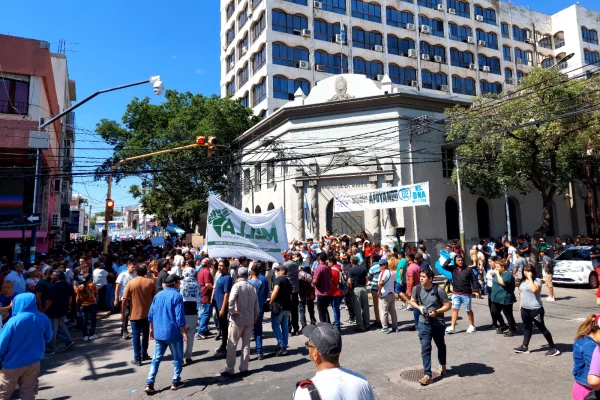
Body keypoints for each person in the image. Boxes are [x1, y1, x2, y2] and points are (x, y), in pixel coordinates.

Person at [294, 323, 375, 400]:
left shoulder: (305, 393)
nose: (308, 349)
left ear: (316, 355)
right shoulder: (362, 382)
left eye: (308, 345)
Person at [0, 293, 53, 400]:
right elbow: (49, 338)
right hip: (34, 362)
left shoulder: (13, 322)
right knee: (28, 392)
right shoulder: (43, 318)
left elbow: (2, 344)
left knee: (3, 393)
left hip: (12, 363)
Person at [144, 274, 187, 394]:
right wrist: (184, 332)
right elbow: (180, 318)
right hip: (173, 333)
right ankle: (175, 381)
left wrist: (151, 329)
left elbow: (151, 314)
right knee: (178, 358)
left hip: (159, 332)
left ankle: (150, 382)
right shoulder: (177, 296)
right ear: (175, 283)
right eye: (179, 281)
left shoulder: (158, 295)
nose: (179, 283)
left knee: (156, 359)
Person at [409, 268, 451, 386]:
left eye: (424, 276)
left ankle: (442, 365)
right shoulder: (417, 288)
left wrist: (437, 312)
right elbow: (412, 301)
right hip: (423, 323)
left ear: (430, 279)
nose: (421, 278)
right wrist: (419, 307)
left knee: (440, 345)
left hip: (438, 323)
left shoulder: (438, 290)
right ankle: (428, 374)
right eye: (420, 276)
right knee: (425, 348)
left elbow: (448, 305)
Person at [513, 265, 560, 356]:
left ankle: (553, 348)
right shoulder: (523, 281)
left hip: (535, 309)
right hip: (525, 309)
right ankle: (524, 346)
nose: (526, 272)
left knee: (542, 328)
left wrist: (530, 278)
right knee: (527, 327)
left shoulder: (537, 281)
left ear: (532, 272)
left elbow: (534, 289)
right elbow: (521, 293)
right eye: (525, 270)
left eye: (528, 271)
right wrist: (520, 306)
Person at [221, 267, 259, 377]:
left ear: (238, 275)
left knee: (232, 344)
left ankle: (230, 369)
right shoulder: (252, 287)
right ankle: (244, 368)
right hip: (249, 318)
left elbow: (231, 300)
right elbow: (257, 303)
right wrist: (256, 315)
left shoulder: (237, 286)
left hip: (238, 319)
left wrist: (232, 312)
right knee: (246, 345)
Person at [122, 264, 156, 366]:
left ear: (136, 272)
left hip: (134, 314)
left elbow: (124, 300)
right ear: (146, 272)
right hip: (148, 313)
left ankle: (137, 358)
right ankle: (144, 353)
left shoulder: (131, 283)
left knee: (136, 335)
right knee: (145, 334)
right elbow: (155, 299)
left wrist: (122, 314)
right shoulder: (150, 282)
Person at [442, 255, 480, 334]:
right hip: (456, 293)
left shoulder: (468, 269)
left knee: (468, 310)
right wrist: (450, 258)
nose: (460, 262)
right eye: (458, 260)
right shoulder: (453, 268)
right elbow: (444, 266)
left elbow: (473, 280)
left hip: (466, 294)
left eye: (461, 260)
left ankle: (472, 326)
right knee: (455, 309)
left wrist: (476, 290)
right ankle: (452, 327)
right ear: (455, 261)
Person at [44, 270, 75, 355]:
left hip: (53, 311)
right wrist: (68, 306)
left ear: (57, 276)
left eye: (53, 275)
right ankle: (69, 341)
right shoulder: (67, 285)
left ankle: (51, 348)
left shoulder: (53, 287)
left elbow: (50, 300)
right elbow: (70, 297)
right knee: (61, 326)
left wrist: (44, 309)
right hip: (63, 310)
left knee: (53, 329)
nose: (51, 276)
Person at [573, 314, 600, 400]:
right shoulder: (590, 346)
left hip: (583, 387)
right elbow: (595, 372)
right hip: (587, 390)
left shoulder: (584, 339)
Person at [490, 260, 518, 336]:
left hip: (505, 297)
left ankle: (512, 329)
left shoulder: (508, 274)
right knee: (494, 312)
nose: (495, 268)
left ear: (503, 267)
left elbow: (502, 282)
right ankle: (503, 325)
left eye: (497, 267)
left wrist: (497, 274)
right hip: (495, 298)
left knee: (508, 314)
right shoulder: (499, 273)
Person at [248, 262, 269, 360]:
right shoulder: (263, 279)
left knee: (247, 331)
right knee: (258, 330)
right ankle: (259, 351)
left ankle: (247, 352)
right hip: (259, 307)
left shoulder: (249, 281)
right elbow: (266, 293)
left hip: (249, 309)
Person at [270, 263, 292, 356]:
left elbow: (275, 291)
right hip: (287, 307)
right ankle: (283, 344)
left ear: (283, 271)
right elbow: (290, 296)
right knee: (285, 326)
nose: (277, 272)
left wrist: (270, 301)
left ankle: (282, 346)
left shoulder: (278, 280)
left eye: (278, 270)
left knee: (275, 326)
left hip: (279, 306)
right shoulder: (288, 281)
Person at [180, 264, 200, 364]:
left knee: (181, 336)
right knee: (191, 336)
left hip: (182, 313)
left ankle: (180, 358)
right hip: (193, 313)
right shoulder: (197, 284)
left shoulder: (181, 283)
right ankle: (188, 357)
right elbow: (199, 299)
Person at [213, 259, 233, 357]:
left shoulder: (228, 278)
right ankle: (223, 345)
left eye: (222, 266)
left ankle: (225, 346)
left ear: (226, 267)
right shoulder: (221, 276)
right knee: (221, 326)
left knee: (224, 327)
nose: (219, 267)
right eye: (219, 265)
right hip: (217, 305)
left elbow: (227, 294)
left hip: (222, 306)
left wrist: (222, 308)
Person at [115, 261, 137, 340]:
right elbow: (117, 287)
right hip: (124, 298)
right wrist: (116, 299)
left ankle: (123, 329)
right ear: (127, 267)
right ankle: (124, 330)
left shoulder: (135, 275)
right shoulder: (122, 275)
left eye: (134, 267)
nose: (133, 268)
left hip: (133, 298)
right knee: (125, 314)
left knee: (131, 314)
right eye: (132, 267)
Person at [348, 255, 369, 332]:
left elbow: (349, 281)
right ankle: (367, 324)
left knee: (357, 308)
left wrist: (350, 288)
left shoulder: (351, 270)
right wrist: (365, 285)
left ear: (351, 262)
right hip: (363, 288)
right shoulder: (363, 268)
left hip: (356, 289)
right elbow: (367, 278)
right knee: (365, 307)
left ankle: (360, 326)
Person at [75, 273, 98, 341]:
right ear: (90, 278)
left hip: (83, 305)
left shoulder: (79, 287)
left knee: (84, 320)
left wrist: (77, 305)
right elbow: (96, 292)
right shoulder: (92, 285)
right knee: (93, 320)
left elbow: (77, 296)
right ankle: (91, 334)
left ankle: (85, 335)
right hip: (92, 304)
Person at [377, 259, 398, 334]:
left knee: (383, 311)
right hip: (391, 293)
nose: (380, 267)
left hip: (384, 294)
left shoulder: (383, 273)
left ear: (385, 265)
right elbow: (395, 282)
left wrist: (379, 291)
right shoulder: (391, 272)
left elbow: (381, 282)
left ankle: (385, 327)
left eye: (381, 265)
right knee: (392, 311)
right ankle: (395, 327)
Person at [196, 258, 214, 339]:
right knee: (206, 314)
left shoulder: (200, 271)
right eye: (210, 263)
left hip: (202, 294)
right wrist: (214, 288)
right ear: (208, 264)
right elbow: (207, 284)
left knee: (205, 313)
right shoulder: (206, 272)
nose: (211, 264)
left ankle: (205, 329)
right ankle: (201, 330)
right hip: (206, 295)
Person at [313, 253, 332, 324]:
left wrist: (313, 283)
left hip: (321, 292)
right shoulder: (328, 267)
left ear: (319, 258)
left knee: (321, 311)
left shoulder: (319, 268)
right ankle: (328, 325)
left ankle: (324, 327)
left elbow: (315, 280)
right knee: (325, 310)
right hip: (328, 292)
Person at [329, 257, 345, 330]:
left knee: (335, 308)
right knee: (336, 308)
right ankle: (337, 322)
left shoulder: (331, 270)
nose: (328, 264)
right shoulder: (341, 268)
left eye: (329, 262)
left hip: (334, 291)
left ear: (331, 262)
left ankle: (337, 325)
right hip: (342, 290)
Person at [368, 254, 383, 328]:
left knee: (376, 305)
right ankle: (384, 320)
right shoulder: (382, 267)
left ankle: (378, 320)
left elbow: (370, 277)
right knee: (384, 305)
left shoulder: (372, 268)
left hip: (375, 287)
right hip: (383, 287)